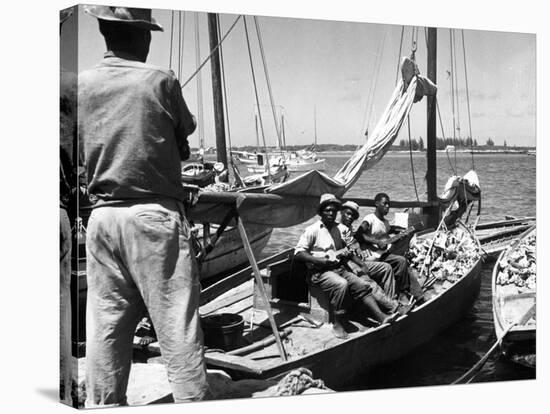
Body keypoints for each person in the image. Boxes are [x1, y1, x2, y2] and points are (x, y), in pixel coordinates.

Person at [79, 6, 208, 406]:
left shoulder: (78, 85)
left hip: (101, 219)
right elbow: (183, 134)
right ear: (143, 35)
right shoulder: (160, 79)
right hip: (153, 218)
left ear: (104, 32)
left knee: (106, 329)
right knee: (177, 328)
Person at [294, 194, 397, 339]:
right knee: (341, 284)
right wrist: (320, 260)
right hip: (319, 272)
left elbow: (350, 251)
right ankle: (337, 323)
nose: (331, 213)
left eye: (334, 211)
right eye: (327, 210)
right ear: (321, 212)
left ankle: (381, 317)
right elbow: (298, 253)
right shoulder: (313, 230)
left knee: (362, 284)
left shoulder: (340, 229)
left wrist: (360, 262)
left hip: (338, 268)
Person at [355, 193, 425, 304]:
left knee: (402, 261)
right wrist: (376, 242)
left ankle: (418, 295)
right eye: (385, 203)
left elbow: (388, 231)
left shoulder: (386, 223)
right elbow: (359, 234)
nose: (387, 206)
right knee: (400, 262)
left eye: (389, 204)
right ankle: (403, 294)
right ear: (377, 204)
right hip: (369, 256)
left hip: (382, 255)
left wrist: (404, 232)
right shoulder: (370, 219)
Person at [337, 201, 404, 314]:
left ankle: (391, 302)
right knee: (368, 281)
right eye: (347, 214)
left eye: (353, 216)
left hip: (359, 260)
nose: (350, 217)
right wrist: (361, 263)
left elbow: (356, 246)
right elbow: (345, 253)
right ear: (341, 212)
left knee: (386, 268)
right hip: (349, 264)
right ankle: (393, 307)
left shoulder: (349, 230)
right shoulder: (338, 229)